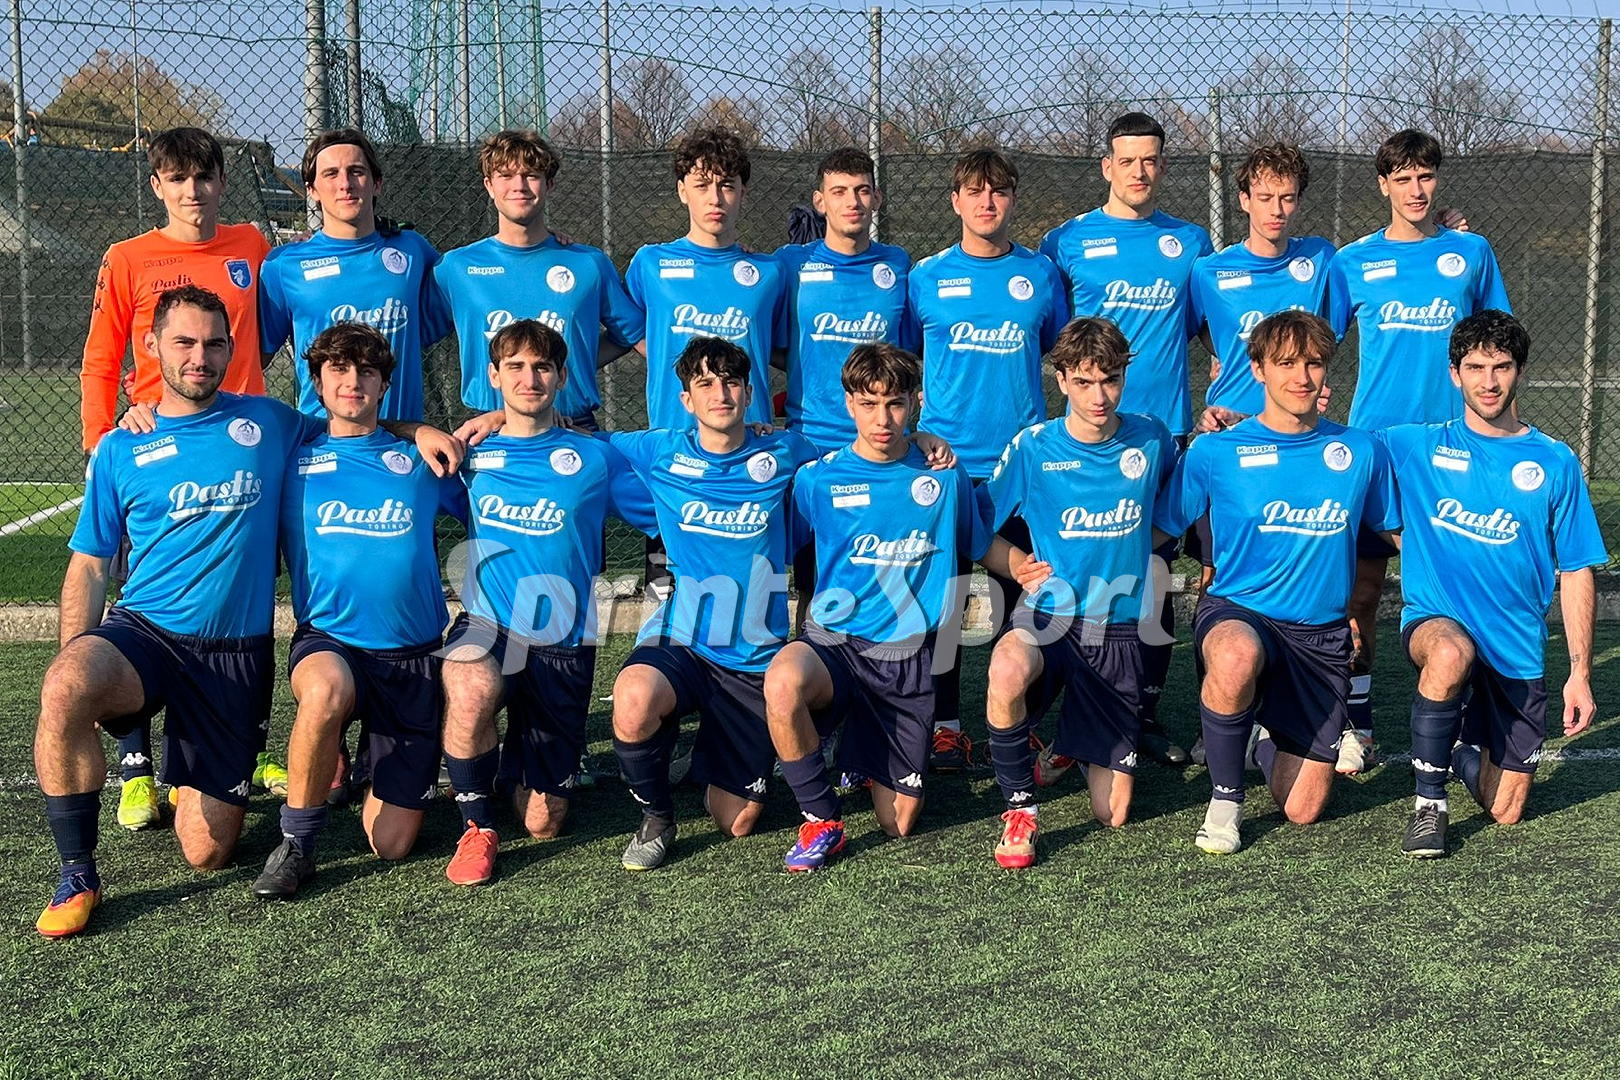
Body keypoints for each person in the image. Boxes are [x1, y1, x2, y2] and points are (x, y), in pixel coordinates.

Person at [36, 287, 316, 935]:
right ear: (152, 346)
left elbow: (355, 425)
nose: (200, 357)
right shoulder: (121, 446)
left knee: (207, 853)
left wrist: (416, 429)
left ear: (231, 349)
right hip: (146, 634)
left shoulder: (271, 422)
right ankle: (77, 872)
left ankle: (186, 770)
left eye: (214, 344)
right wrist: (75, 658)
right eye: (184, 342)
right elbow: (89, 564)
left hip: (233, 656)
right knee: (66, 685)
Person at [78, 126, 278, 826]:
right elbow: (102, 357)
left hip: (242, 449)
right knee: (143, 598)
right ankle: (136, 767)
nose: (193, 191)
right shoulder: (127, 257)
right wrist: (103, 444)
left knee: (243, 593)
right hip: (154, 450)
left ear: (221, 182)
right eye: (178, 178)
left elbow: (269, 332)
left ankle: (244, 745)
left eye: (204, 177)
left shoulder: (252, 246)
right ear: (158, 185)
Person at [1152, 310, 1399, 855]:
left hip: (1319, 636)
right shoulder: (1215, 451)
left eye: (1313, 363)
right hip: (1240, 611)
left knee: (1303, 809)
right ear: (1258, 369)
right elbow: (1158, 529)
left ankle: (1258, 736)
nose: (1301, 377)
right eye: (1286, 363)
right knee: (1236, 655)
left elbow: (1399, 533)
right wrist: (1074, 567)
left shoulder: (1360, 451)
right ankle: (1225, 802)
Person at [252, 323, 467, 899]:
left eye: (367, 371)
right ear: (317, 382)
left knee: (391, 844)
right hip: (331, 641)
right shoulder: (289, 460)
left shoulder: (421, 459)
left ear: (384, 385)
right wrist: (138, 411)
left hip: (413, 655)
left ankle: (368, 761)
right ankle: (296, 844)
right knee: (325, 691)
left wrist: (426, 428)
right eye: (339, 370)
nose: (353, 381)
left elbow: (486, 490)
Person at [439, 319, 653, 887]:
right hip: (489, 624)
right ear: (493, 376)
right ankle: (476, 826)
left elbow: (671, 503)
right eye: (514, 367)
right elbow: (390, 464)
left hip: (564, 641)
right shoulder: (468, 456)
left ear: (561, 377)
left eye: (541, 367)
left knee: (543, 822)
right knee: (469, 685)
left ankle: (515, 762)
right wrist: (424, 430)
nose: (528, 378)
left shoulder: (595, 458)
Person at [1384, 310, 1605, 857]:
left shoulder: (1555, 462)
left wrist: (1580, 673)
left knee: (1505, 810)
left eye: (1501, 367)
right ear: (1454, 373)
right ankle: (1429, 805)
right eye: (1475, 367)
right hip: (1437, 621)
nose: (1488, 381)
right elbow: (1324, 450)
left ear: (1520, 371)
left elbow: (1577, 569)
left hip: (1515, 646)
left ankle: (1460, 745)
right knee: (1450, 653)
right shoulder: (1412, 445)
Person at [766, 343, 991, 870]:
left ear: (915, 402)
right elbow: (779, 545)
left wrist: (1030, 568)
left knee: (900, 824)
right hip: (836, 644)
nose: (882, 419)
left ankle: (861, 748)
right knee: (782, 682)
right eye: (868, 404)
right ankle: (821, 818)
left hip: (907, 656)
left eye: (894, 403)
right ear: (849, 404)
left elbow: (979, 544)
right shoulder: (817, 479)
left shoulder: (943, 475)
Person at [1327, 128, 1510, 774]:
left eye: (1425, 176)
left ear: (1438, 179)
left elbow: (1498, 343)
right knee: (1362, 593)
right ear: (1383, 185)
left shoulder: (1471, 251)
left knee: (1462, 589)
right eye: (1402, 178)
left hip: (1453, 452)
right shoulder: (1351, 262)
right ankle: (1357, 722)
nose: (1415, 189)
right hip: (1377, 451)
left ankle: (1460, 721)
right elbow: (1314, 344)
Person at [1038, 112, 1214, 767]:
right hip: (1087, 441)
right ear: (1106, 166)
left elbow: (1213, 328)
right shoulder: (1066, 242)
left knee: (1156, 573)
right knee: (1078, 574)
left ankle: (1142, 713)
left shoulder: (1189, 242)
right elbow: (1052, 334)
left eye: (1151, 160)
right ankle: (1059, 711)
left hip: (1163, 435)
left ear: (1163, 166)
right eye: (1127, 160)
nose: (1140, 171)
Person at [604, 336, 818, 871]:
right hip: (685, 638)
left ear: (749, 393)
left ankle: (704, 751)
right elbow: (565, 438)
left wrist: (921, 438)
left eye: (730, 382)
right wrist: (496, 419)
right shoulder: (657, 450)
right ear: (686, 399)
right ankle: (656, 817)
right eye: (705, 384)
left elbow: (862, 457)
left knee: (736, 821)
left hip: (754, 657)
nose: (719, 393)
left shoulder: (787, 450)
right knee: (633, 698)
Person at [979, 317, 1177, 868]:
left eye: (1110, 380)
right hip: (1050, 617)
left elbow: (1174, 512)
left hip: (1118, 628)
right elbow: (975, 529)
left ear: (1124, 377)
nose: (1099, 396)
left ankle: (1069, 741)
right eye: (1085, 382)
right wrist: (1016, 564)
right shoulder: (1033, 447)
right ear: (1062, 379)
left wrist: (1135, 547)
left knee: (1112, 813)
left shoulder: (1152, 438)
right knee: (1005, 669)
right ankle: (1019, 811)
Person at [904, 146, 1067, 771]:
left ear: (1012, 199)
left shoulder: (1041, 274)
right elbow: (903, 361)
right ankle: (945, 726)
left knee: (1018, 592)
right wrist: (918, 431)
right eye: (974, 192)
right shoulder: (925, 277)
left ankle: (1014, 719)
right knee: (941, 600)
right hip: (944, 466)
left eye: (998, 191)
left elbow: (1056, 349)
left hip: (1019, 468)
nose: (987, 202)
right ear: (955, 201)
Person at [434, 129, 641, 430]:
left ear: (549, 184)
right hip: (490, 431)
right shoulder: (455, 268)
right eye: (506, 176)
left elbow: (631, 335)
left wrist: (570, 361)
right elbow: (409, 333)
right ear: (489, 185)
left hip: (573, 427)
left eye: (531, 175)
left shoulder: (588, 264)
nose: (519, 186)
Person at [259, 128, 451, 422]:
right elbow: (256, 359)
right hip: (322, 437)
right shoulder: (283, 266)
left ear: (377, 184)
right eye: (331, 174)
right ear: (311, 190)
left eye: (356, 171)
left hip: (403, 435)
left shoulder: (413, 250)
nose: (345, 184)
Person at [623, 127, 787, 431]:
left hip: (750, 438)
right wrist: (664, 352)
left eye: (726, 186)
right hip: (673, 436)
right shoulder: (650, 264)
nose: (715, 199)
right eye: (701, 185)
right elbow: (628, 330)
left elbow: (785, 348)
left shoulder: (770, 272)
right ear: (682, 191)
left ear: (743, 193)